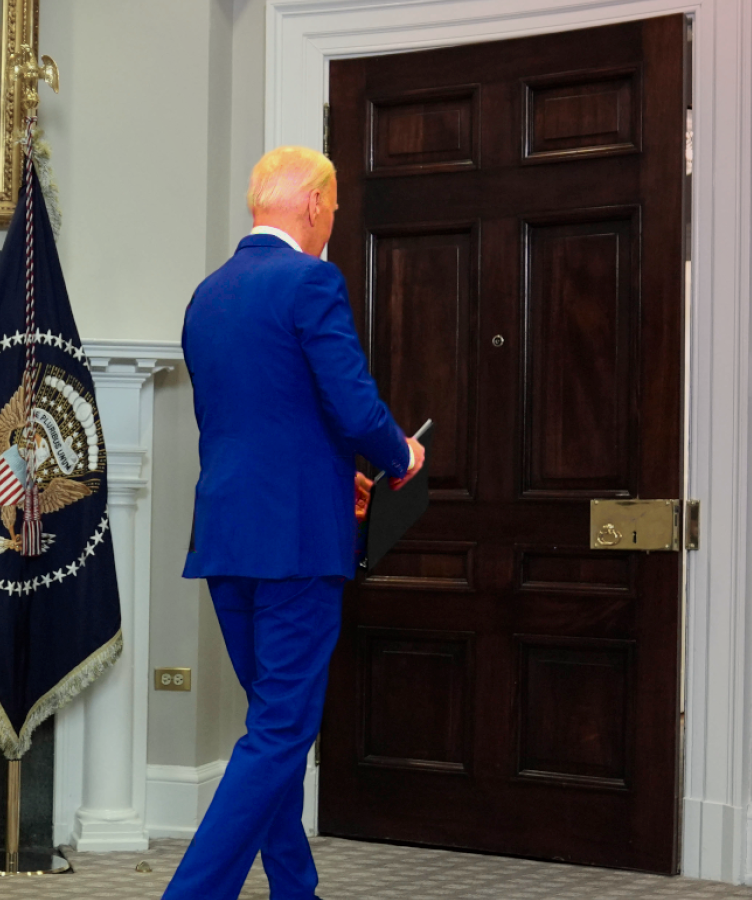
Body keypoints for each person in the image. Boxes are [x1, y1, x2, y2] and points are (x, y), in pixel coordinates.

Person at [167, 146, 424, 900]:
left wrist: (328, 468)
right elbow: (352, 405)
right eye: (335, 210)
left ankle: (294, 888)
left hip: (226, 534)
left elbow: (249, 419)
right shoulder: (311, 280)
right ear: (314, 205)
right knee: (280, 734)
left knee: (267, 732)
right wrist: (398, 453)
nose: (333, 224)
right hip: (297, 543)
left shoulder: (207, 294)